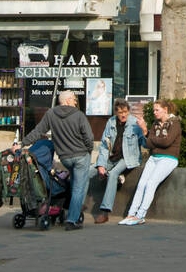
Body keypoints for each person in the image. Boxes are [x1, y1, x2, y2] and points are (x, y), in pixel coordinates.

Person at [15, 90, 95, 229]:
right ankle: (72, 220)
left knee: (74, 182)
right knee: (78, 188)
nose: (76, 102)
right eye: (74, 99)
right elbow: (89, 137)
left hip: (65, 158)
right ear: (68, 100)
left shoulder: (51, 114)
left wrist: (23, 143)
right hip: (81, 156)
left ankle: (65, 209)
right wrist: (89, 149)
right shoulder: (79, 115)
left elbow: (38, 131)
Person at [121, 100, 181, 225]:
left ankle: (141, 215)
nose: (154, 112)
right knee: (141, 184)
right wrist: (145, 131)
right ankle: (131, 214)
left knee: (151, 184)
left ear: (165, 109)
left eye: (157, 110)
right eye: (154, 110)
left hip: (168, 158)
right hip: (153, 158)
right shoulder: (155, 123)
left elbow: (167, 142)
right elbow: (148, 144)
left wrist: (150, 137)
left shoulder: (174, 123)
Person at [93, 99, 146, 223]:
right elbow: (104, 145)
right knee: (90, 171)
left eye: (126, 112)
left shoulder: (134, 123)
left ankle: (105, 211)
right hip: (112, 157)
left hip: (128, 158)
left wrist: (144, 130)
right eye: (120, 112)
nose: (123, 115)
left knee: (113, 174)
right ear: (116, 112)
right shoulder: (110, 122)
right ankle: (76, 206)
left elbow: (145, 144)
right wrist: (100, 164)